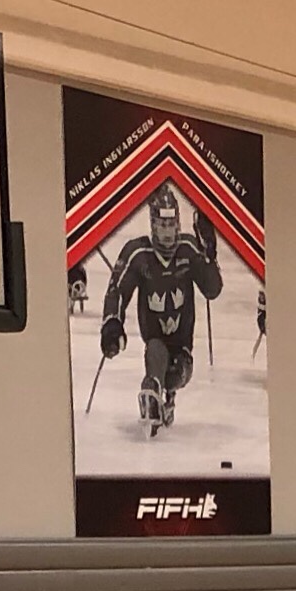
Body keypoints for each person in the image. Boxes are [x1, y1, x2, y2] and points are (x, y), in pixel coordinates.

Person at [98, 184, 221, 435]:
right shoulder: (138, 253)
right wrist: (112, 323)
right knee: (155, 350)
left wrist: (209, 253)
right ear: (153, 225)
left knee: (176, 373)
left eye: (171, 225)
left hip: (182, 344)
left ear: (178, 223)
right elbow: (117, 291)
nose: (167, 233)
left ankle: (167, 394)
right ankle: (151, 387)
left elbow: (212, 290)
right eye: (162, 226)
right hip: (153, 337)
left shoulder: (188, 249)